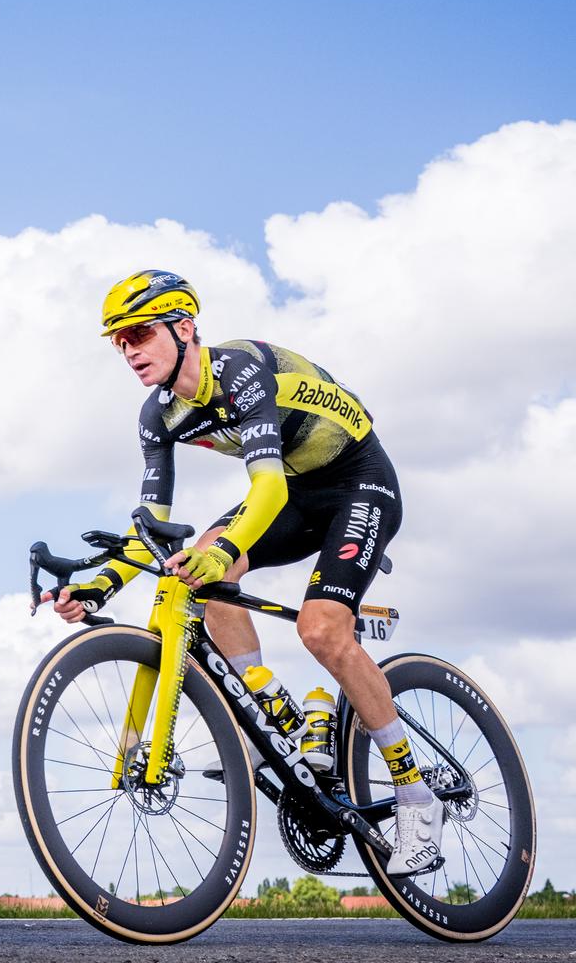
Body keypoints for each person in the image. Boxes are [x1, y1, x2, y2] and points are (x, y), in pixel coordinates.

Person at [44, 270, 442, 877]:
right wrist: (98, 585)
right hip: (296, 494)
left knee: (321, 629)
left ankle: (417, 794)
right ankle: (278, 705)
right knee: (199, 560)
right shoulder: (159, 415)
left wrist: (217, 552)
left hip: (357, 482)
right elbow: (151, 523)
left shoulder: (240, 371)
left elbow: (268, 485)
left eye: (140, 333)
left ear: (184, 327)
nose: (129, 350)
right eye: (118, 341)